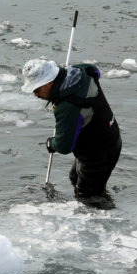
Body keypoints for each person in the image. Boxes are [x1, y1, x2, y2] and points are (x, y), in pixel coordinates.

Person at [21, 58, 121, 204]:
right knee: (75, 177)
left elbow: (64, 146)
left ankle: (104, 216)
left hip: (99, 154)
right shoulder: (81, 71)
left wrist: (51, 143)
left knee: (86, 196)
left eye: (37, 89)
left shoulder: (68, 107)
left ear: (49, 82)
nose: (35, 94)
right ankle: (99, 194)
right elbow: (95, 71)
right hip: (107, 135)